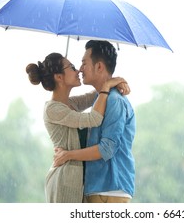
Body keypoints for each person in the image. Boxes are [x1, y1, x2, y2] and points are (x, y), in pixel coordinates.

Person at [26, 52, 129, 203]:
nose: (78, 71)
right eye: (72, 67)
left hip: (78, 182)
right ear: (59, 77)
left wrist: (114, 81)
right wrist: (107, 85)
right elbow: (94, 118)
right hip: (64, 182)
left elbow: (95, 95)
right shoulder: (52, 109)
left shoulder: (70, 104)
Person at [53, 40, 136, 203]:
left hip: (110, 190)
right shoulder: (101, 98)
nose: (80, 69)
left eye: (84, 63)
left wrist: (68, 155)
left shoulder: (114, 101)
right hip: (99, 188)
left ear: (99, 67)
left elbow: (107, 149)